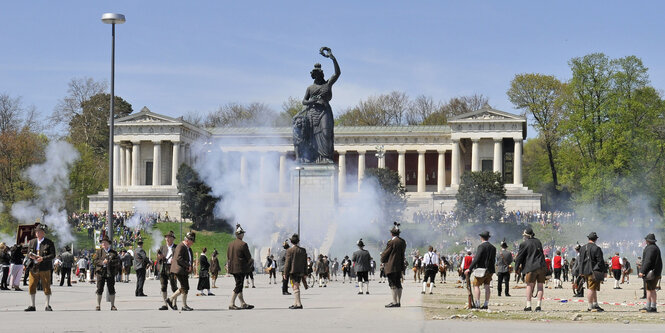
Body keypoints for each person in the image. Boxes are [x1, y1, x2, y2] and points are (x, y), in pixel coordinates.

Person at [293, 47, 341, 163]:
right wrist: (312, 101)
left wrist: (332, 58)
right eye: (315, 74)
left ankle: (325, 157)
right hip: (312, 113)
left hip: (324, 112)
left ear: (321, 74)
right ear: (314, 76)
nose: (317, 76)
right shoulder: (310, 88)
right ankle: (313, 158)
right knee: (311, 137)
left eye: (319, 74)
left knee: (325, 133)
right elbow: (304, 101)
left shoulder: (327, 84)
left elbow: (337, 73)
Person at [514, 226, 547, 312]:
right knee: (540, 286)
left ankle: (528, 305)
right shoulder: (538, 242)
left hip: (531, 267)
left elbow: (519, 258)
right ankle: (538, 306)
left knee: (529, 286)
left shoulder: (524, 244)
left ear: (526, 235)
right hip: (541, 266)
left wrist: (516, 268)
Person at [25, 225, 56, 312]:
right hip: (33, 267)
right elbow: (27, 253)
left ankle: (47, 305)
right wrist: (31, 256)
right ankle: (32, 305)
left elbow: (53, 255)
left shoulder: (49, 243)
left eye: (39, 231)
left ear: (43, 233)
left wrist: (43, 258)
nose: (37, 233)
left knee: (46, 286)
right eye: (36, 231)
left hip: (45, 267)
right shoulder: (31, 242)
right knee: (31, 286)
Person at [465, 231, 497, 309]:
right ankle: (486, 304)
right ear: (488, 238)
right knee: (487, 286)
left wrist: (470, 268)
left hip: (481, 269)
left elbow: (476, 258)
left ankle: (478, 303)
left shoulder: (481, 247)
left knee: (476, 285)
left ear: (481, 238)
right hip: (490, 270)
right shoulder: (493, 248)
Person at [578, 232, 607, 312]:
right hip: (593, 271)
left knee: (592, 288)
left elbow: (580, 261)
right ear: (596, 239)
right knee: (591, 288)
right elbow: (600, 261)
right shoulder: (597, 248)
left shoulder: (583, 248)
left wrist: (581, 271)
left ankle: (595, 304)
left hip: (585, 270)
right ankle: (590, 306)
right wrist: (604, 271)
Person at [166, 231, 195, 311]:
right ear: (187, 240)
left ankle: (171, 299)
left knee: (185, 287)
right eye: (192, 241)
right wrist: (188, 265)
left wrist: (190, 266)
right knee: (184, 287)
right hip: (179, 270)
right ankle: (183, 305)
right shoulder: (181, 246)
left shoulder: (187, 247)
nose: (192, 243)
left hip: (183, 270)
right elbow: (179, 258)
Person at [227, 224, 254, 310]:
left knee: (239, 285)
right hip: (241, 268)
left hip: (233, 268)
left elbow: (228, 256)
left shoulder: (230, 244)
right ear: (241, 234)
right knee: (238, 286)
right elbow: (249, 257)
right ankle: (231, 303)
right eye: (243, 234)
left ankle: (243, 303)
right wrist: (250, 265)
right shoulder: (243, 244)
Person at [381, 222, 406, 308]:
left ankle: (394, 302)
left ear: (391, 233)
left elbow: (386, 253)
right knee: (398, 284)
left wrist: (382, 259)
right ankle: (399, 302)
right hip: (399, 265)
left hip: (391, 265)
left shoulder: (391, 242)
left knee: (392, 285)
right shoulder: (402, 241)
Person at [93, 234, 119, 311]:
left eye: (105, 242)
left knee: (111, 288)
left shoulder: (113, 252)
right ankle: (98, 305)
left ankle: (113, 305)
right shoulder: (98, 252)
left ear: (108, 243)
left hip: (110, 272)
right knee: (99, 288)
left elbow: (117, 261)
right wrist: (102, 262)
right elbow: (95, 261)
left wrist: (110, 262)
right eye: (102, 243)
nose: (103, 244)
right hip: (101, 272)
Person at [639, 233, 662, 313]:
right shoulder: (655, 248)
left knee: (649, 290)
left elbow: (648, 261)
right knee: (652, 290)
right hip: (655, 272)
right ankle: (653, 306)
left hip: (651, 273)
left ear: (647, 241)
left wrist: (642, 271)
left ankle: (649, 307)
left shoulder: (650, 248)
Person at [284, 234, 307, 309]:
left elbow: (287, 263)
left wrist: (285, 273)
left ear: (291, 242)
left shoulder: (289, 250)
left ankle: (299, 304)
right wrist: (305, 273)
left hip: (293, 271)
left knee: (295, 286)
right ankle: (296, 303)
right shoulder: (303, 250)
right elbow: (305, 262)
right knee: (295, 286)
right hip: (300, 271)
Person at [157, 231, 179, 310]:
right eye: (166, 237)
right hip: (163, 267)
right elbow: (158, 260)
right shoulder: (162, 248)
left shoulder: (176, 247)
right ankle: (165, 304)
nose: (167, 239)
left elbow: (179, 258)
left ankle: (174, 303)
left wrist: (175, 260)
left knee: (174, 286)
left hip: (172, 268)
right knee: (163, 286)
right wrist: (160, 257)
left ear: (173, 239)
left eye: (169, 237)